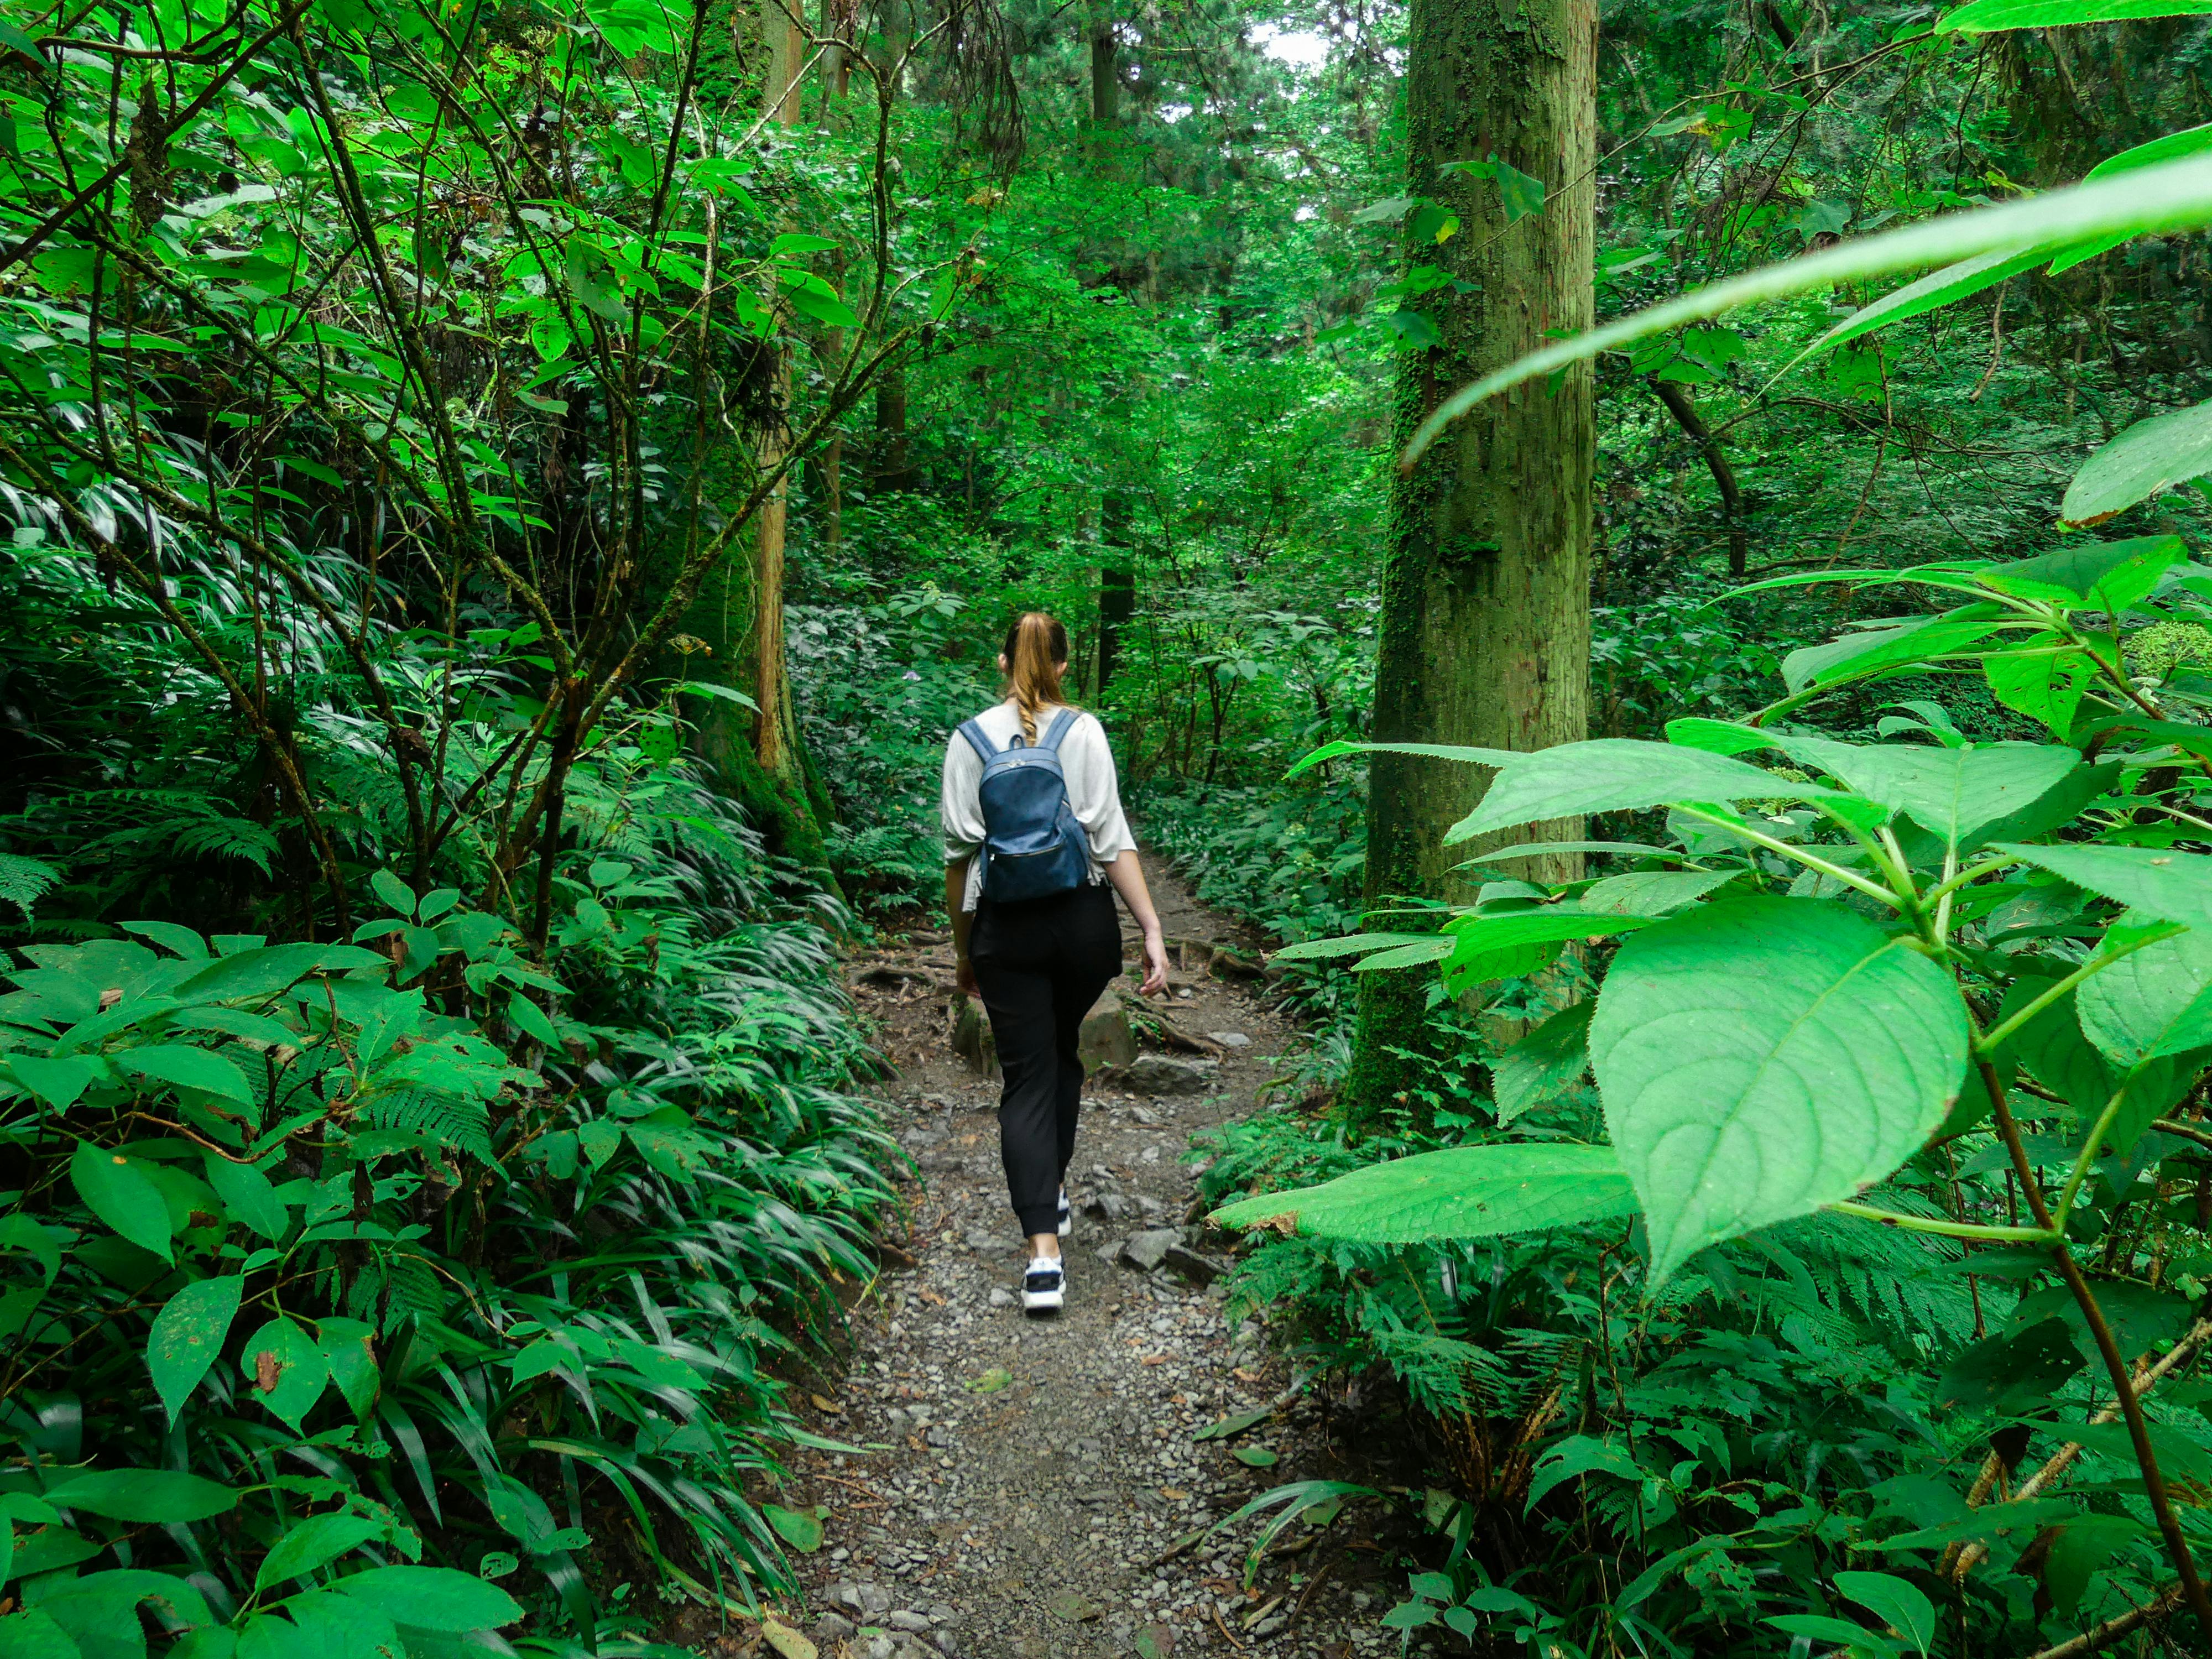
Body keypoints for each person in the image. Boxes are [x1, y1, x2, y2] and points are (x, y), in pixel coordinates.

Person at [941, 612, 1170, 1314]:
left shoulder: (969, 739)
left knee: (1029, 1076)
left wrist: (963, 951)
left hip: (1005, 930)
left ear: (1001, 662)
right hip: (1082, 927)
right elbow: (1112, 841)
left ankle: (1043, 1259)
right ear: (1064, 667)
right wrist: (1151, 930)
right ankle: (1054, 1189)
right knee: (1061, 1056)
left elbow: (958, 860)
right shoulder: (1086, 731)